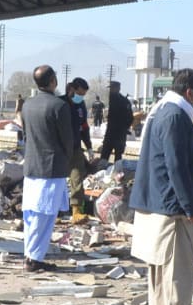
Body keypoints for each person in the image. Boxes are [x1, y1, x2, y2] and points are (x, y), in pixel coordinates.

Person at [129, 69, 193, 305]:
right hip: (173, 212)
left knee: (160, 276)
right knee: (177, 276)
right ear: (190, 92)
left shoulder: (160, 112)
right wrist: (191, 207)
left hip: (157, 206)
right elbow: (176, 166)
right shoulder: (176, 118)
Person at [21, 65, 73, 272]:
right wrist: (67, 159)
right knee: (45, 216)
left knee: (31, 214)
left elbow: (26, 135)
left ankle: (30, 254)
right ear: (53, 81)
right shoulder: (59, 106)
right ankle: (34, 259)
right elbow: (67, 140)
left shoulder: (27, 105)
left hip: (32, 166)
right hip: (51, 168)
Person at [62, 77, 92, 223]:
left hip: (75, 147)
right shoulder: (60, 103)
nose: (82, 97)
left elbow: (84, 127)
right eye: (80, 93)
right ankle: (57, 212)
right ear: (73, 89)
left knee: (77, 177)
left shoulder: (81, 106)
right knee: (58, 181)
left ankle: (76, 211)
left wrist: (89, 147)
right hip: (60, 149)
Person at [98, 81, 133, 162]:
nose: (111, 90)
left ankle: (114, 172)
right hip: (114, 133)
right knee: (106, 157)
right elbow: (130, 118)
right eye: (111, 88)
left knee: (115, 158)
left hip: (117, 134)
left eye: (112, 88)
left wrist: (123, 128)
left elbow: (130, 117)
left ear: (118, 88)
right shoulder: (118, 100)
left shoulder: (122, 101)